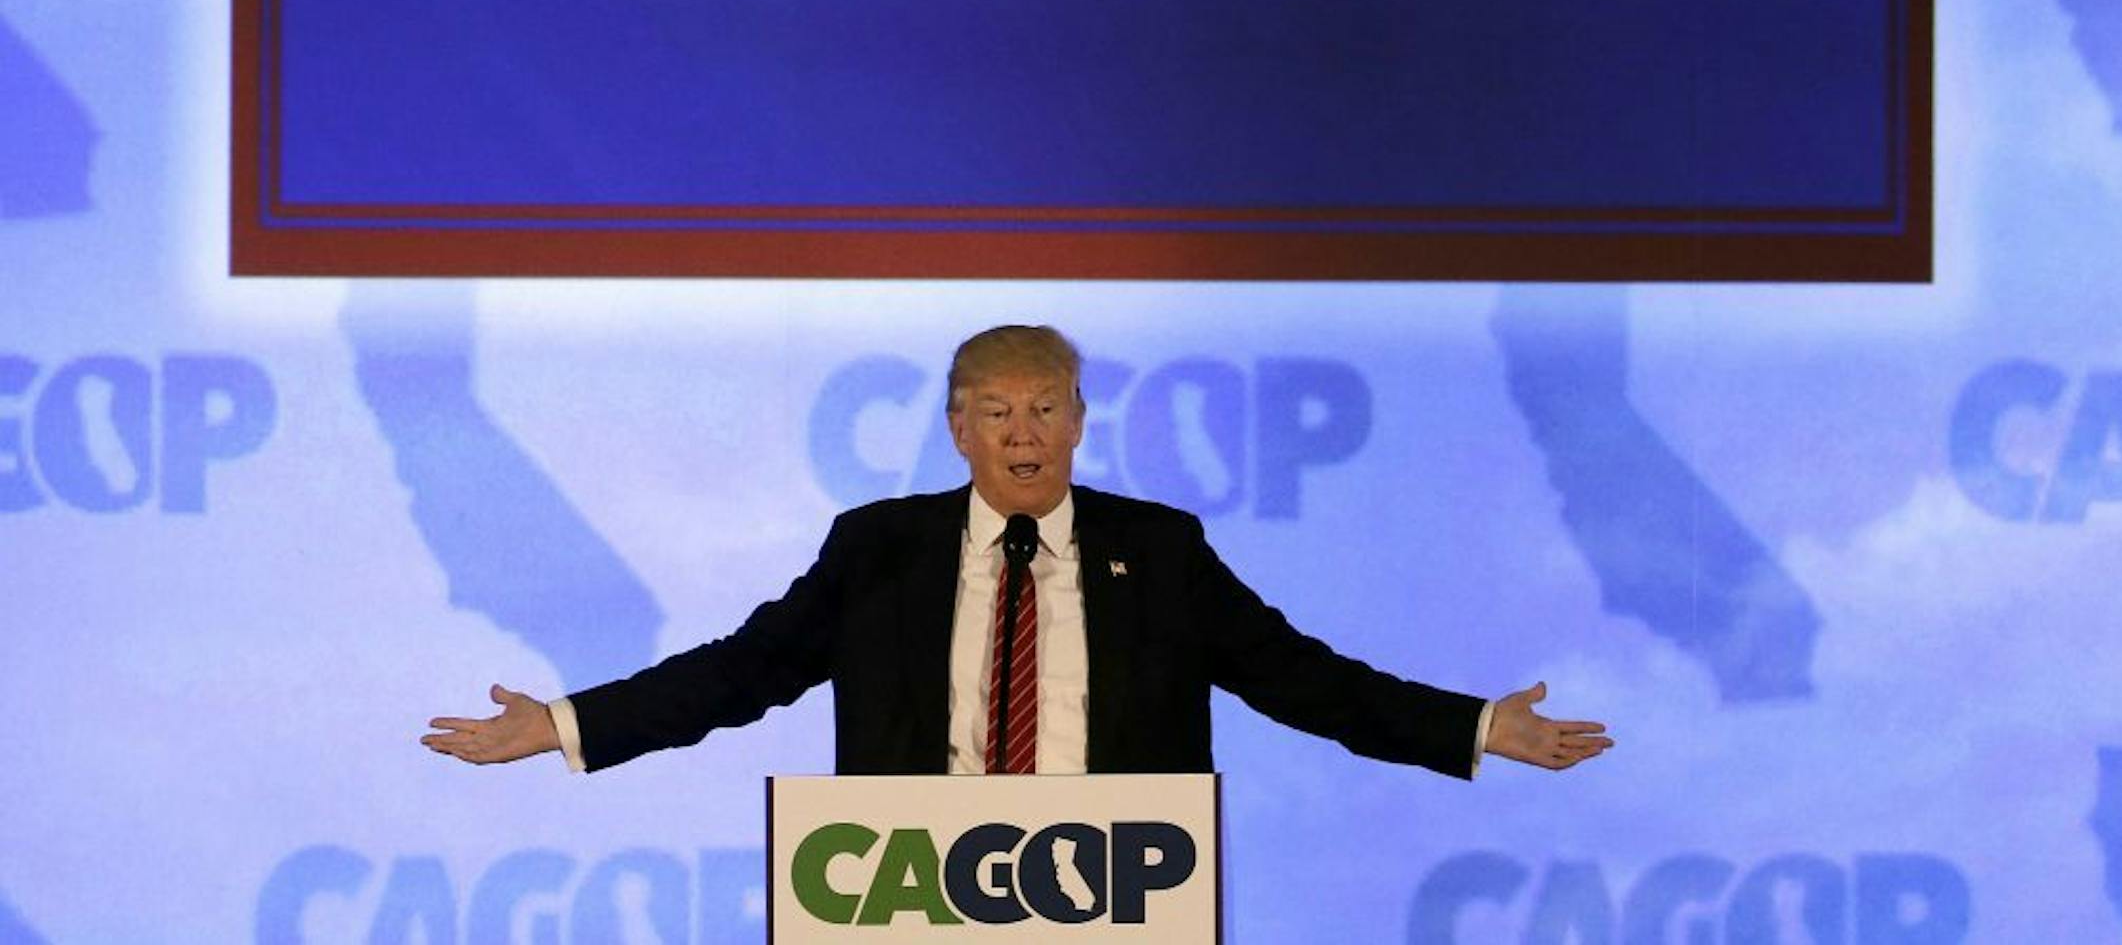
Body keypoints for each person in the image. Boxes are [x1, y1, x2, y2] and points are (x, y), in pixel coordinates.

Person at [424, 325, 1612, 779]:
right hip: (916, 904)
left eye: (1046, 407)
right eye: (997, 411)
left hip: (1118, 900)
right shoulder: (879, 551)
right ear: (958, 429)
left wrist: (1473, 725)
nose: (1023, 432)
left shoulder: (1162, 550)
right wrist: (568, 724)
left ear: (1082, 422)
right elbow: (739, 674)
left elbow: (1299, 679)